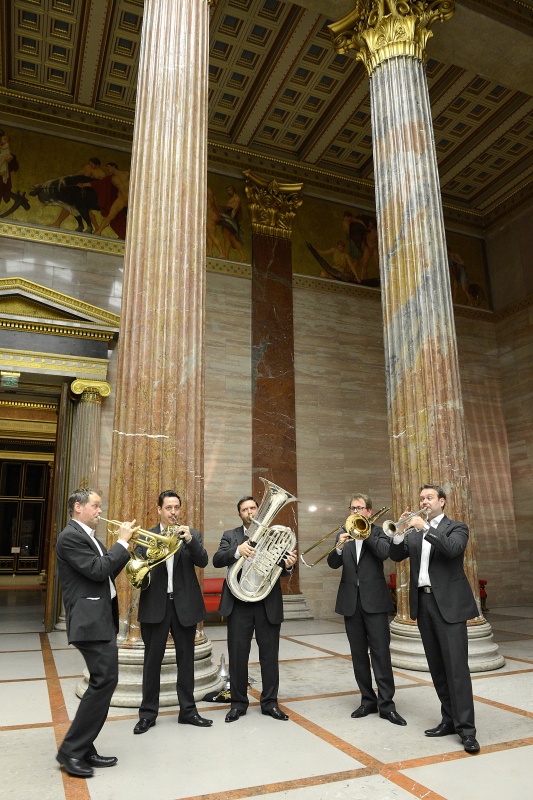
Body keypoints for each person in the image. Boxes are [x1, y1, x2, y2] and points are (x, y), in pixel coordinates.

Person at [388, 484, 480, 754]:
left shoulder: (456, 527)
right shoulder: (415, 533)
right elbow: (396, 555)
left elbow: (452, 549)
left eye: (429, 498)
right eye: (421, 499)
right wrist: (400, 533)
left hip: (449, 606)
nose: (424, 502)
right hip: (424, 603)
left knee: (457, 670)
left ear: (442, 501)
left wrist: (425, 527)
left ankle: (467, 731)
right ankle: (448, 720)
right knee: (438, 668)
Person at [55, 488, 137, 778]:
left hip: (100, 618)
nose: (100, 511)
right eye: (95, 506)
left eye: (99, 506)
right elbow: (98, 570)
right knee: (104, 681)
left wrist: (126, 552)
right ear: (78, 507)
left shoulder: (89, 537)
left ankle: (84, 745)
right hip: (89, 620)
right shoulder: (70, 537)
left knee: (105, 681)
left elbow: (105, 572)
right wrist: (121, 543)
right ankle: (71, 751)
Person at [213, 495, 298, 722]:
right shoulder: (231, 536)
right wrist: (237, 551)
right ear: (239, 514)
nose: (249, 512)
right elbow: (217, 559)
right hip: (239, 604)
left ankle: (270, 703)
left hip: (266, 603)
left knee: (269, 657)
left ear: (259, 511)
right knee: (238, 657)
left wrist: (289, 566)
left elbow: (284, 567)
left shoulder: (276, 535)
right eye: (244, 509)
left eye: (253, 508)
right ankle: (238, 704)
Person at [133, 490, 212, 733]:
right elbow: (138, 565)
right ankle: (147, 714)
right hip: (156, 606)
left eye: (176, 507)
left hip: (184, 607)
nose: (173, 512)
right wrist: (155, 547)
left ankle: (188, 711)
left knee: (186, 661)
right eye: (168, 508)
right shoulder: (147, 535)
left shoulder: (191, 535)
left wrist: (190, 540)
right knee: (151, 662)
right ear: (159, 510)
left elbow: (203, 561)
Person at [327, 494, 406, 726]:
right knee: (358, 655)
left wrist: (366, 532)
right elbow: (332, 563)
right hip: (351, 602)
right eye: (353, 508)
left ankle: (386, 705)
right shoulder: (343, 532)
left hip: (375, 601)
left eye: (360, 508)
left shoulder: (379, 531)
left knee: (381, 653)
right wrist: (340, 547)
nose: (356, 511)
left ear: (369, 512)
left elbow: (385, 553)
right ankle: (367, 700)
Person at [94, 162, 129, 236]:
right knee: (110, 215)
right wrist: (84, 184)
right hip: (122, 199)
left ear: (114, 166)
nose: (108, 169)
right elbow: (100, 184)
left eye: (109, 167)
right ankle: (99, 231)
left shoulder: (126, 173)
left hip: (132, 199)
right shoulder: (112, 178)